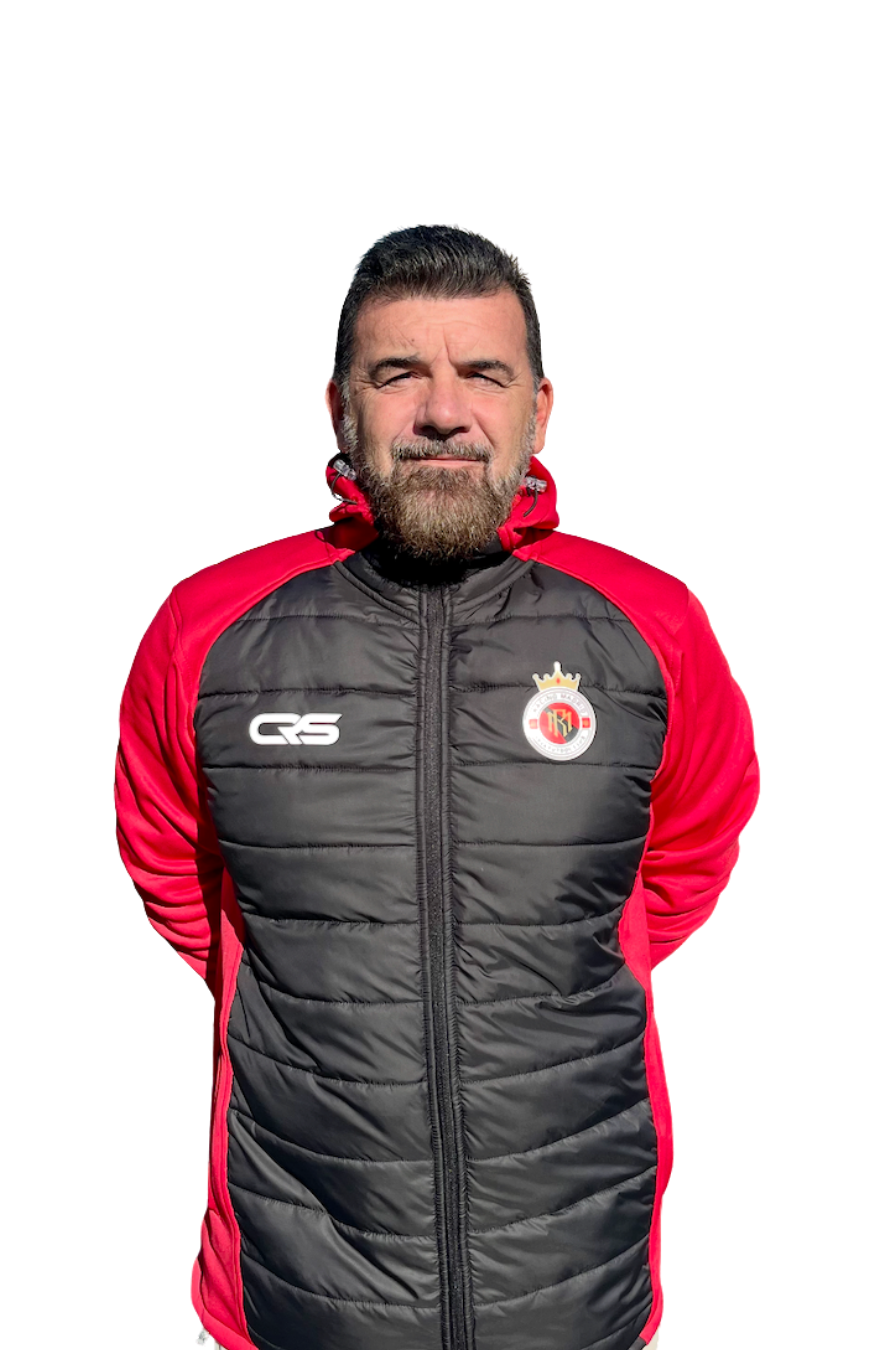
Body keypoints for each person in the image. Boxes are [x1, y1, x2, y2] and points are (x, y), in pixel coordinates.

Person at [115, 224, 760, 1350]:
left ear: (541, 411)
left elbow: (687, 870)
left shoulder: (656, 627)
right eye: (399, 373)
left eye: (484, 374)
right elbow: (179, 889)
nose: (444, 412)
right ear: (339, 410)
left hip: (587, 1306)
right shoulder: (205, 630)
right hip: (288, 1309)